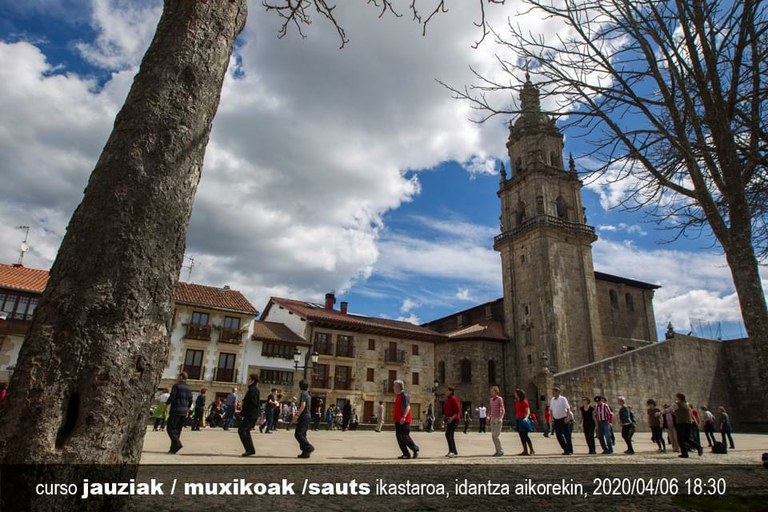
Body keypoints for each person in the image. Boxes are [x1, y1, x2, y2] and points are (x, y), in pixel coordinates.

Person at [668, 393, 703, 458]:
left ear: (678, 398)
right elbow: (690, 413)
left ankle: (685, 453)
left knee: (680, 439)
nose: (675, 398)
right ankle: (698, 447)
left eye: (676, 397)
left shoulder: (677, 404)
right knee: (686, 438)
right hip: (688, 423)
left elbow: (669, 410)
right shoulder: (687, 404)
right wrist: (694, 421)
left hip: (681, 423)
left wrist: (660, 413)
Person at [166, 372, 193, 454]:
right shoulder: (188, 388)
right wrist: (187, 408)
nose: (177, 378)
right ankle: (173, 448)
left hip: (176, 410)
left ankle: (177, 444)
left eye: (178, 376)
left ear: (181, 377)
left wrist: (166, 404)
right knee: (178, 430)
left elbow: (172, 396)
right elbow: (191, 400)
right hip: (184, 411)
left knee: (170, 428)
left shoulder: (176, 386)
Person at [393, 380, 419, 459]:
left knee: (404, 436)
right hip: (398, 420)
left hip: (404, 420)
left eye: (394, 386)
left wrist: (404, 417)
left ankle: (415, 449)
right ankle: (406, 454)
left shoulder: (404, 395)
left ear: (399, 387)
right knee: (399, 437)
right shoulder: (398, 396)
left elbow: (408, 407)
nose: (393, 387)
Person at [238, 374, 261, 456]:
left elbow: (253, 403)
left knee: (243, 430)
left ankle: (250, 450)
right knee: (245, 430)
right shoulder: (252, 389)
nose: (248, 381)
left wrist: (244, 405)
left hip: (251, 414)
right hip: (250, 414)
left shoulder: (253, 390)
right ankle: (250, 449)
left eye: (249, 379)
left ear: (253, 380)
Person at [293, 379, 315, 458]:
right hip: (307, 416)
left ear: (300, 386)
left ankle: (308, 447)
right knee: (303, 434)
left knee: (298, 434)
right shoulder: (308, 394)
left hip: (304, 416)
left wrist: (297, 415)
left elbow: (303, 406)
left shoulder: (303, 394)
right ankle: (305, 452)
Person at [550, 386, 573, 455]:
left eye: (554, 392)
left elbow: (568, 408)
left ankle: (570, 450)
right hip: (556, 420)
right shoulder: (552, 400)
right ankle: (565, 448)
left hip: (563, 419)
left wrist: (567, 417)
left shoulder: (563, 399)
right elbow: (551, 410)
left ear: (558, 392)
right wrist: (552, 418)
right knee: (558, 435)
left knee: (567, 435)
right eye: (552, 392)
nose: (553, 393)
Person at [514, 389, 535, 456]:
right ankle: (525, 450)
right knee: (521, 436)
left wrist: (526, 418)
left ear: (519, 394)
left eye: (515, 393)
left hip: (524, 420)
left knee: (525, 435)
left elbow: (528, 411)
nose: (514, 394)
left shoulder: (524, 401)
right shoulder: (516, 402)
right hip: (518, 419)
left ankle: (532, 450)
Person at [442, 387, 461, 457]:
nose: (445, 392)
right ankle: (453, 451)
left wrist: (452, 418)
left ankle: (452, 451)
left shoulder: (454, 399)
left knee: (448, 434)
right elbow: (445, 412)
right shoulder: (447, 400)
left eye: (447, 391)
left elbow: (457, 411)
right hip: (448, 419)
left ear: (451, 392)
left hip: (454, 419)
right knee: (450, 435)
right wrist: (442, 420)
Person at [489, 385, 505, 456]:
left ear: (496, 392)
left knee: (496, 435)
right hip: (492, 418)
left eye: (492, 391)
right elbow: (491, 409)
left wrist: (501, 417)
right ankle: (497, 450)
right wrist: (489, 416)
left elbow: (502, 409)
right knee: (493, 436)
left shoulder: (499, 399)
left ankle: (500, 451)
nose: (491, 392)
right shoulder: (491, 399)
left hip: (498, 418)